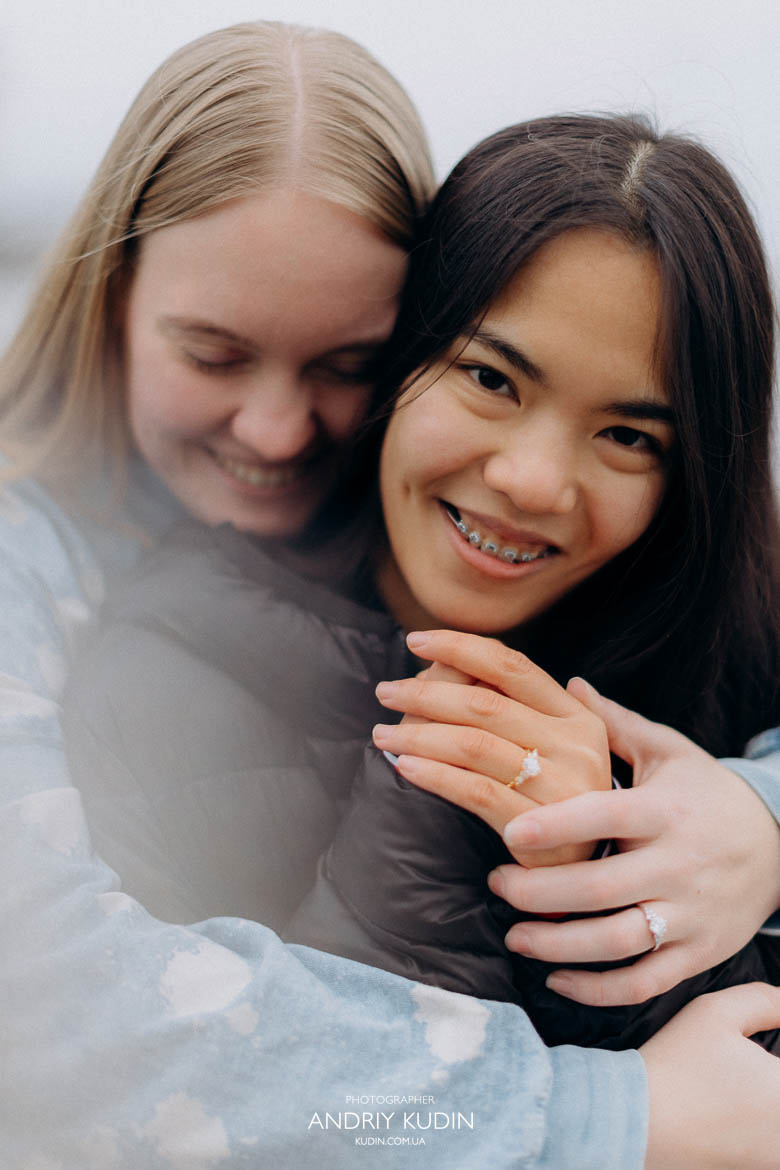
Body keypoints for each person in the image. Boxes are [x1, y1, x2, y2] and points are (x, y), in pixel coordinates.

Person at [60, 113, 780, 1165]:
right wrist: (471, 817)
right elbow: (244, 1121)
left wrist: (751, 822)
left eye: (627, 435)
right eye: (492, 378)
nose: (533, 480)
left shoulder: (732, 643)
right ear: (398, 357)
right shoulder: (167, 674)